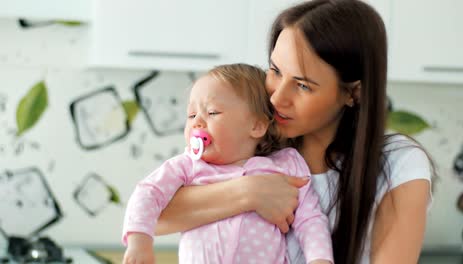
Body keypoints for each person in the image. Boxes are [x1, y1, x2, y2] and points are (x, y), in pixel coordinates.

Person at [154, 1, 434, 264]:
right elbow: (155, 214)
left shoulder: (398, 162)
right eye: (275, 71)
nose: (277, 98)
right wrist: (250, 192)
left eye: (302, 85)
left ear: (353, 93)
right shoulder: (244, 140)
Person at [122, 63, 334, 264]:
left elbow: (310, 220)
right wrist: (139, 240)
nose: (197, 122)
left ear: (257, 125)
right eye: (191, 115)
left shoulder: (285, 165)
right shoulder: (186, 166)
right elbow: (148, 193)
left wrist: (319, 259)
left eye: (212, 112)